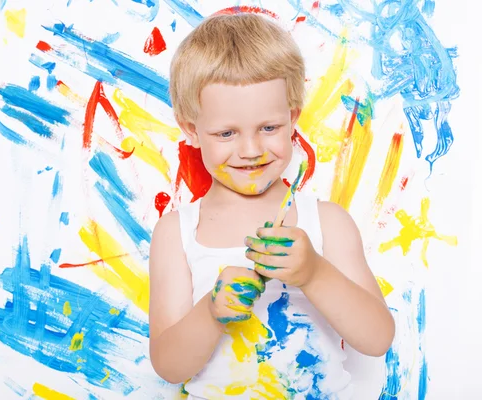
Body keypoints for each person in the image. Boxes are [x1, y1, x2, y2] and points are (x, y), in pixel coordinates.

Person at [149, 12, 395, 399]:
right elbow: (168, 366)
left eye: (269, 128)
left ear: (292, 119)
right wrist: (210, 311)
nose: (251, 151)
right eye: (226, 133)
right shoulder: (177, 232)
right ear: (192, 131)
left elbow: (377, 339)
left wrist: (314, 273)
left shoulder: (327, 222)